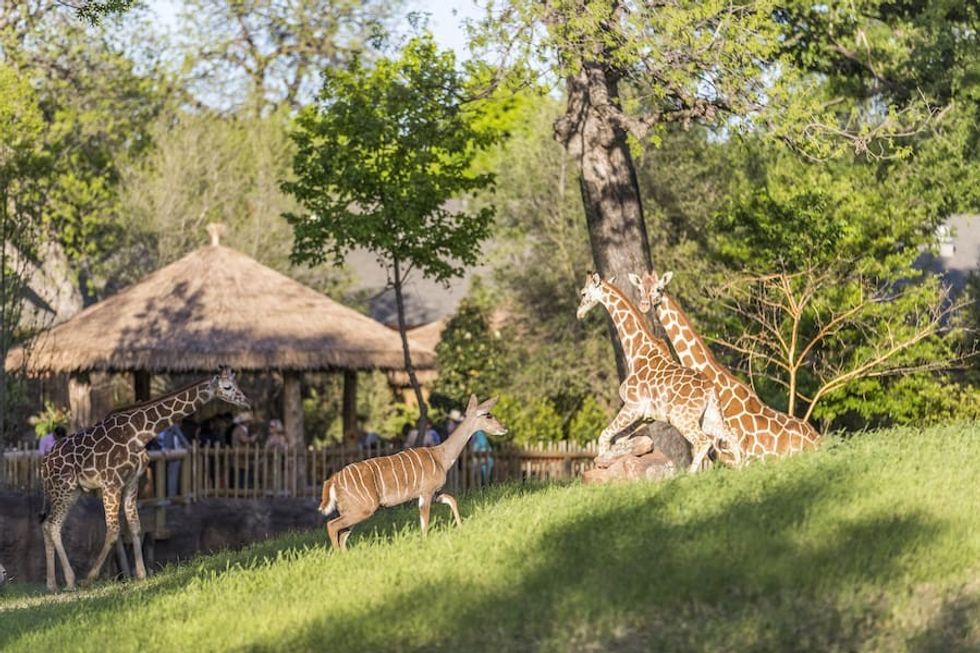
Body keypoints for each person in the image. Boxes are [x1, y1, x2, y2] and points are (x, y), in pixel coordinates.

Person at [158, 422, 190, 497]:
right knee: (159, 478)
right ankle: (160, 498)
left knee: (172, 477)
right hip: (156, 452)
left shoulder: (172, 426)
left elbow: (181, 437)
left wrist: (187, 446)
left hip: (171, 454)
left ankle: (171, 498)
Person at [230, 412, 257, 489]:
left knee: (244, 473)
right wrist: (252, 439)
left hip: (243, 458)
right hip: (239, 457)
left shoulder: (243, 430)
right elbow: (243, 440)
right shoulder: (239, 430)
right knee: (240, 475)